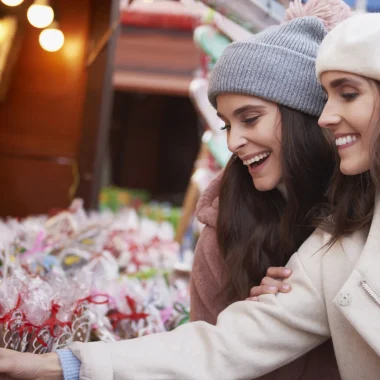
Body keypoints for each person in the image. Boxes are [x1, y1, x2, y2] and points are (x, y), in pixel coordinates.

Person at [5, 7, 380, 380]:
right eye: (226, 125)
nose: (233, 141)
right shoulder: (327, 238)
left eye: (348, 94)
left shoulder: (355, 214)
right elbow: (221, 347)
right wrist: (58, 365)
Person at [189, 0, 349, 378]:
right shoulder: (223, 231)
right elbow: (202, 350)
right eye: (228, 125)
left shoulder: (366, 213)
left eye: (250, 118)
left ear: (305, 114)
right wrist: (249, 318)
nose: (233, 142)